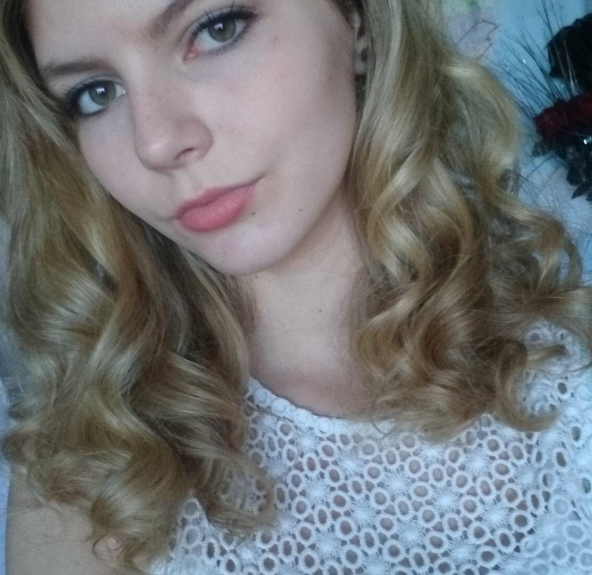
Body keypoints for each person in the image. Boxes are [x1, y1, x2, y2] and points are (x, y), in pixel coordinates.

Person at [1, 0, 591, 574]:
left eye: (216, 29)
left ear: (355, 19)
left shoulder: (572, 358)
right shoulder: (93, 463)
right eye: (96, 93)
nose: (155, 142)